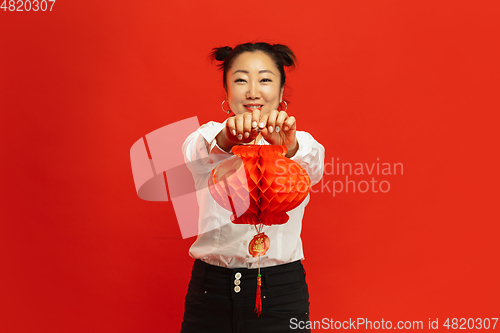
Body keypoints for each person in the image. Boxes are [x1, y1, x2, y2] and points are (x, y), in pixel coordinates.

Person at [180, 42, 325, 333]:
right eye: (241, 80)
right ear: (227, 91)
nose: (253, 91)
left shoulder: (302, 142)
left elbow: (313, 165)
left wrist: (288, 145)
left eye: (265, 79)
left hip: (282, 291)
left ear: (282, 92)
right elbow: (196, 153)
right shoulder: (208, 137)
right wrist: (227, 138)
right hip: (211, 292)